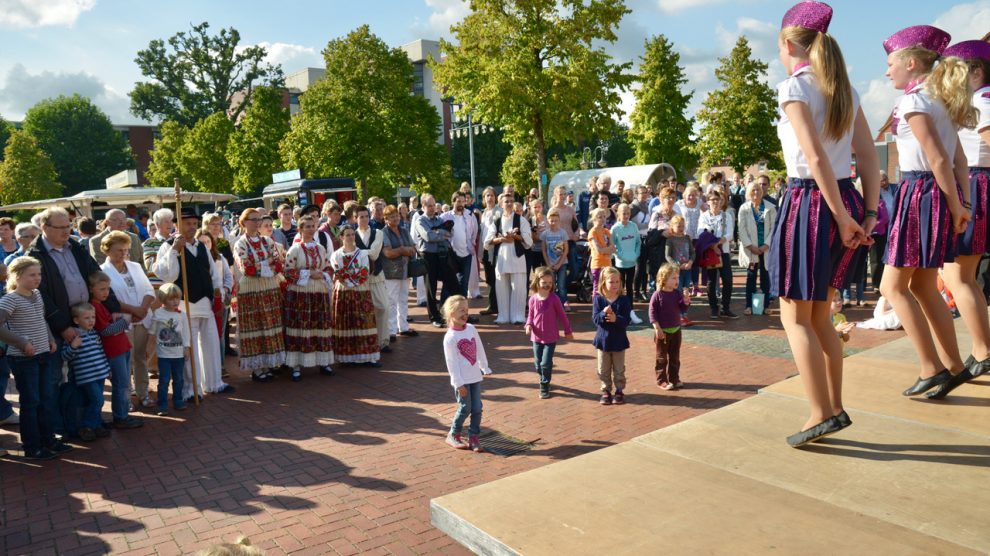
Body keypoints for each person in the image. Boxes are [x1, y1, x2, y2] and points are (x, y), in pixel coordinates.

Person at [769, 2, 880, 446]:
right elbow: (868, 156)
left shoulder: (794, 87)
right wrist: (865, 214)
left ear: (789, 44)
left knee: (795, 316)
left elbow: (813, 158)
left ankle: (820, 411)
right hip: (843, 198)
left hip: (810, 203)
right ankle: (832, 406)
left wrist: (841, 214)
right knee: (819, 316)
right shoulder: (844, 90)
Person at [880, 25, 975, 400]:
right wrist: (962, 203)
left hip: (919, 192)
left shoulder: (915, 101)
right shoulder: (940, 100)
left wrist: (957, 206)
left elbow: (938, 158)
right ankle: (953, 366)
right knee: (921, 285)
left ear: (911, 63)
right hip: (932, 193)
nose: (887, 72)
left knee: (892, 286)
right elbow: (959, 159)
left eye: (891, 64)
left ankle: (930, 366)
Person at [29, 207, 121, 442]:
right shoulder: (36, 254)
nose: (66, 232)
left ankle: (86, 423)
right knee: (57, 380)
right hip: (58, 328)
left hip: (85, 321)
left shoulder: (76, 247)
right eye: (60, 228)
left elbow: (96, 274)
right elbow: (43, 297)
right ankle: (59, 429)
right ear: (45, 228)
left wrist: (113, 308)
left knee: (87, 378)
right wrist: (63, 327)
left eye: (68, 226)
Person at [931, 39, 990, 395]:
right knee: (964, 276)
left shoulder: (982, 101)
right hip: (977, 184)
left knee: (958, 275)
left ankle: (982, 351)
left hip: (977, 185)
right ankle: (982, 347)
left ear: (977, 72)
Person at [153, 208, 231, 397]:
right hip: (184, 304)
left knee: (211, 343)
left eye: (194, 224)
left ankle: (214, 382)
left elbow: (213, 274)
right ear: (178, 224)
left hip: (205, 303)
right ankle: (191, 389)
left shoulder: (202, 246)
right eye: (187, 224)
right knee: (189, 348)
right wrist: (174, 251)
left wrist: (217, 296)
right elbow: (166, 275)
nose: (192, 227)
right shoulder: (169, 246)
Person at [0, 257, 65, 460]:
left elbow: (41, 319)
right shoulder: (9, 299)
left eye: (39, 274)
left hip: (43, 354)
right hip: (24, 359)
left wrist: (49, 339)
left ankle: (48, 440)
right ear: (17, 276)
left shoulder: (37, 295)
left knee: (46, 398)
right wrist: (21, 342)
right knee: (31, 402)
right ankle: (32, 446)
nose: (37, 278)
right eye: (32, 275)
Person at [101, 231, 156, 409]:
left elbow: (148, 289)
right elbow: (109, 298)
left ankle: (143, 393)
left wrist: (143, 309)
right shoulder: (102, 271)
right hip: (121, 320)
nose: (123, 254)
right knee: (124, 361)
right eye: (118, 250)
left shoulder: (135, 266)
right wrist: (134, 310)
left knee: (140, 357)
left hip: (142, 317)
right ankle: (125, 398)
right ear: (107, 250)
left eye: (125, 250)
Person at [231, 208, 286, 382]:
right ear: (244, 222)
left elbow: (278, 264)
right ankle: (256, 368)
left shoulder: (267, 241)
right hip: (251, 291)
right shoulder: (240, 243)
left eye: (258, 219)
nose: (256, 222)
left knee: (269, 324)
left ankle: (268, 364)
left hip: (269, 288)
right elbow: (246, 269)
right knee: (255, 326)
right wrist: (267, 263)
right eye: (253, 219)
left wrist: (262, 264)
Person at [88, 271, 143, 429]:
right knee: (120, 383)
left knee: (124, 383)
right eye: (102, 289)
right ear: (92, 289)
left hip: (121, 347)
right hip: (113, 350)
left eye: (107, 289)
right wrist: (126, 320)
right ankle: (120, 416)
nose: (106, 292)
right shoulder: (94, 307)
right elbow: (105, 331)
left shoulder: (101, 305)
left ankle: (122, 414)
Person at [283, 215, 335, 380]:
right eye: (307, 226)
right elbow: (288, 272)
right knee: (301, 326)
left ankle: (323, 362)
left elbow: (328, 267)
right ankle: (296, 365)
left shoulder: (320, 248)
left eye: (313, 226)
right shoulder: (295, 249)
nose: (311, 229)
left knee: (319, 324)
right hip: (300, 294)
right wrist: (309, 273)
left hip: (318, 292)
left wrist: (324, 274)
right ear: (300, 229)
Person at [441, 295, 492, 452]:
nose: (465, 314)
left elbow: (479, 348)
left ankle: (474, 437)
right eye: (461, 311)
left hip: (475, 376)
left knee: (477, 408)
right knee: (465, 408)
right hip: (462, 380)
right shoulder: (450, 338)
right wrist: (458, 383)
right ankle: (453, 434)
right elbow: (452, 363)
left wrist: (484, 366)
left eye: (467, 310)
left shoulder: (471, 328)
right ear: (451, 314)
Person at [329, 226, 380, 367]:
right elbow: (339, 273)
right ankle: (347, 357)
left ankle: (368, 356)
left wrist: (351, 280)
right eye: (347, 235)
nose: (351, 237)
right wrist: (351, 279)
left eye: (352, 234)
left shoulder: (362, 254)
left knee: (364, 320)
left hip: (360, 290)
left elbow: (364, 271)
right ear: (341, 237)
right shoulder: (336, 255)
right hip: (343, 291)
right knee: (346, 321)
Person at [62, 302, 112, 442]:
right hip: (86, 376)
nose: (91, 321)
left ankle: (96, 425)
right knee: (98, 400)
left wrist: (107, 369)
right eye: (87, 318)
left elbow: (101, 353)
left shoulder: (94, 333)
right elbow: (65, 356)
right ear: (76, 320)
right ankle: (87, 426)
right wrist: (73, 346)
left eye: (93, 317)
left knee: (97, 401)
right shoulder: (74, 336)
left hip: (100, 374)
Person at [525, 267, 573, 399]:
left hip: (551, 337)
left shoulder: (554, 299)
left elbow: (563, 316)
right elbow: (530, 315)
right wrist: (528, 325)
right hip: (536, 337)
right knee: (537, 363)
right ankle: (544, 377)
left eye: (550, 283)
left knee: (545, 363)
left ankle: (544, 384)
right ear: (537, 282)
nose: (547, 285)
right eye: (544, 282)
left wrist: (568, 330)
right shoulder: (533, 299)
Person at [485, 193, 533, 324]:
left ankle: (518, 316)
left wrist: (516, 237)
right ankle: (503, 316)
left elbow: (529, 241)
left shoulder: (521, 219)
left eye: (511, 201)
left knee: (518, 287)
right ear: (501, 204)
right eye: (506, 201)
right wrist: (502, 239)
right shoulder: (496, 220)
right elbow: (487, 241)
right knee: (501, 287)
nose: (509, 204)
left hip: (517, 257)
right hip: (501, 257)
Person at [146, 284, 189, 415]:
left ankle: (178, 400)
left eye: (177, 298)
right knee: (164, 380)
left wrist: (187, 348)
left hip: (179, 355)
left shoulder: (182, 315)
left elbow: (186, 333)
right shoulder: (158, 314)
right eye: (171, 299)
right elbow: (152, 332)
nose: (175, 302)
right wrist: (147, 348)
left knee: (178, 379)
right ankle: (162, 403)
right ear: (164, 299)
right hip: (164, 355)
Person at [415, 194, 457, 327]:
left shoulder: (439, 219)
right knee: (431, 288)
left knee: (453, 284)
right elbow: (428, 236)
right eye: (429, 205)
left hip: (442, 255)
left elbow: (451, 233)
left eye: (434, 205)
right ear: (423, 206)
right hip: (427, 256)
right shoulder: (420, 221)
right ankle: (434, 317)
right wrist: (441, 233)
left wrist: (436, 232)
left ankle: (454, 313)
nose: (432, 208)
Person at [354, 205, 391, 353]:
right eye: (361, 217)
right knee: (363, 311)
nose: (364, 219)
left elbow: (375, 254)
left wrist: (357, 252)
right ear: (355, 219)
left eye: (366, 216)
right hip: (360, 279)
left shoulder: (378, 233)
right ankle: (366, 342)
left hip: (376, 275)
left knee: (383, 307)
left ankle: (383, 341)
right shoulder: (352, 234)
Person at [592, 266, 630, 405]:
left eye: (617, 282)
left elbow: (626, 320)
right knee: (603, 369)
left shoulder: (624, 300)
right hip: (603, 341)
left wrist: (616, 319)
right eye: (611, 282)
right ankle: (606, 391)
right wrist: (603, 313)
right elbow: (595, 319)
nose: (614, 285)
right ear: (603, 283)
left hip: (619, 341)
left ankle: (619, 391)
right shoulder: (599, 300)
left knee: (619, 369)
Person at [738, 181, 777, 315]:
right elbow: (741, 229)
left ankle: (766, 306)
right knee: (751, 277)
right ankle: (748, 306)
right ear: (749, 192)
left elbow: (774, 228)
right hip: (751, 249)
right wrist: (750, 246)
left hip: (765, 248)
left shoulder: (770, 207)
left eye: (758, 190)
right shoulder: (744, 208)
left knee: (765, 278)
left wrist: (766, 244)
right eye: (753, 190)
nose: (756, 192)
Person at [650, 263, 691, 390]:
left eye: (677, 278)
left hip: (676, 329)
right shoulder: (658, 294)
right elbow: (652, 312)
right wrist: (657, 327)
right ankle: (661, 380)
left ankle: (674, 378)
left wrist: (686, 301)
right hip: (663, 331)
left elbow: (682, 308)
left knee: (675, 356)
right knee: (661, 357)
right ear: (663, 278)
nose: (676, 281)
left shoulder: (677, 293)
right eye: (673, 278)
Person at [699, 190, 738, 319]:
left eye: (718, 199)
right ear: (708, 202)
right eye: (713, 200)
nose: (715, 202)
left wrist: (717, 245)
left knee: (727, 280)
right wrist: (712, 246)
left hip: (724, 252)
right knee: (711, 281)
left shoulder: (727, 216)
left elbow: (729, 234)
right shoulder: (704, 216)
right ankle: (714, 308)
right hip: (710, 253)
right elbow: (702, 233)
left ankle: (725, 307)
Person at [381, 205, 419, 339]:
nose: (396, 218)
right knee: (391, 301)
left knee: (403, 300)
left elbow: (414, 248)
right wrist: (403, 250)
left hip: (405, 271)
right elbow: (388, 253)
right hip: (391, 272)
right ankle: (391, 331)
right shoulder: (384, 232)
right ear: (386, 219)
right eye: (392, 216)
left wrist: (404, 250)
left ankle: (403, 327)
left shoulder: (404, 230)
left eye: (396, 215)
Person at [548, 185, 579, 310]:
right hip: (558, 244)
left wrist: (576, 235)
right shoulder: (552, 210)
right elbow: (549, 227)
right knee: (559, 269)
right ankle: (563, 298)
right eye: (560, 194)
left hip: (570, 242)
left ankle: (561, 290)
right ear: (555, 195)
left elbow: (576, 224)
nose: (562, 196)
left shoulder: (570, 209)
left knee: (575, 270)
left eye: (564, 194)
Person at [611, 203, 642, 324]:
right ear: (618, 214)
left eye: (628, 213)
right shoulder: (615, 228)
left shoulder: (633, 226)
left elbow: (638, 242)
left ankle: (630, 313)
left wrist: (636, 254)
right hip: (620, 264)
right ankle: (619, 312)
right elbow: (612, 246)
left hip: (632, 263)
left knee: (630, 288)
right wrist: (620, 256)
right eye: (623, 213)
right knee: (619, 288)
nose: (626, 215)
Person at [664, 215, 695, 326]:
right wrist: (677, 265)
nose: (681, 228)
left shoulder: (687, 238)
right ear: (672, 226)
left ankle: (684, 314)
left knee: (686, 292)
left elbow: (692, 252)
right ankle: (677, 315)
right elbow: (667, 256)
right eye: (678, 226)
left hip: (687, 269)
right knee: (678, 292)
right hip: (676, 272)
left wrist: (690, 262)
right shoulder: (670, 239)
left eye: (682, 226)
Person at [674, 184, 704, 295]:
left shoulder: (699, 202)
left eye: (693, 195)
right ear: (684, 195)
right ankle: (683, 286)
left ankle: (695, 286)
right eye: (689, 195)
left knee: (694, 261)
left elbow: (706, 212)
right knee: (683, 261)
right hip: (683, 237)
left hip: (696, 236)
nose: (691, 197)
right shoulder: (679, 204)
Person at [869, 172, 896, 289]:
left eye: (886, 179)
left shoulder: (895, 188)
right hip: (879, 230)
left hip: (894, 228)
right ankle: (876, 284)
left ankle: (889, 281)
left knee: (891, 256)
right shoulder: (874, 193)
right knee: (877, 258)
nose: (885, 182)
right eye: (882, 181)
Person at [478, 187, 501, 316]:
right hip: (486, 251)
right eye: (487, 195)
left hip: (496, 250)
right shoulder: (485, 212)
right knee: (489, 279)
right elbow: (483, 235)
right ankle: (493, 305)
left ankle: (496, 305)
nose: (490, 198)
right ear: (484, 198)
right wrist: (481, 253)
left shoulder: (499, 211)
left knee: (496, 279)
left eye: (492, 195)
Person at [541, 208, 569, 307]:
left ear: (559, 221)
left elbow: (566, 250)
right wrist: (548, 263)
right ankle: (551, 304)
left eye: (556, 220)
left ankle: (563, 303)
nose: (553, 222)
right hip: (550, 263)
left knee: (561, 285)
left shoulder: (563, 233)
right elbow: (544, 250)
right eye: (551, 220)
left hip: (562, 263)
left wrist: (559, 264)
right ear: (548, 221)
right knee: (550, 285)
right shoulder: (545, 234)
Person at [587, 208, 614, 295]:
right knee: (597, 288)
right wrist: (607, 250)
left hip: (607, 263)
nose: (603, 219)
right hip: (597, 264)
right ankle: (596, 307)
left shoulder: (606, 231)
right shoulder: (592, 232)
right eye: (600, 217)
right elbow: (598, 250)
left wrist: (605, 250)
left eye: (604, 217)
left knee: (607, 288)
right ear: (594, 219)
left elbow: (613, 248)